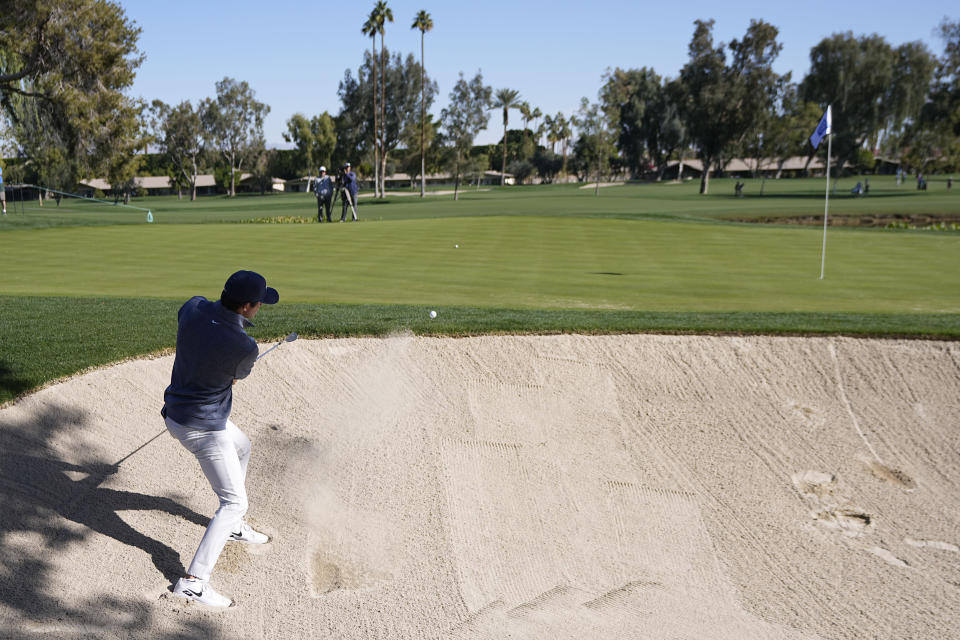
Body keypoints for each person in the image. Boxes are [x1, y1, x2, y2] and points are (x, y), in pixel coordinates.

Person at [162, 270, 279, 608]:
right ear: (245, 307)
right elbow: (236, 374)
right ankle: (194, 582)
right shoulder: (245, 346)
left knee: (243, 446)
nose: (259, 309)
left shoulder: (193, 306)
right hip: (202, 428)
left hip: (177, 411)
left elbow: (201, 339)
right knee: (233, 502)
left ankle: (233, 527)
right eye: (258, 304)